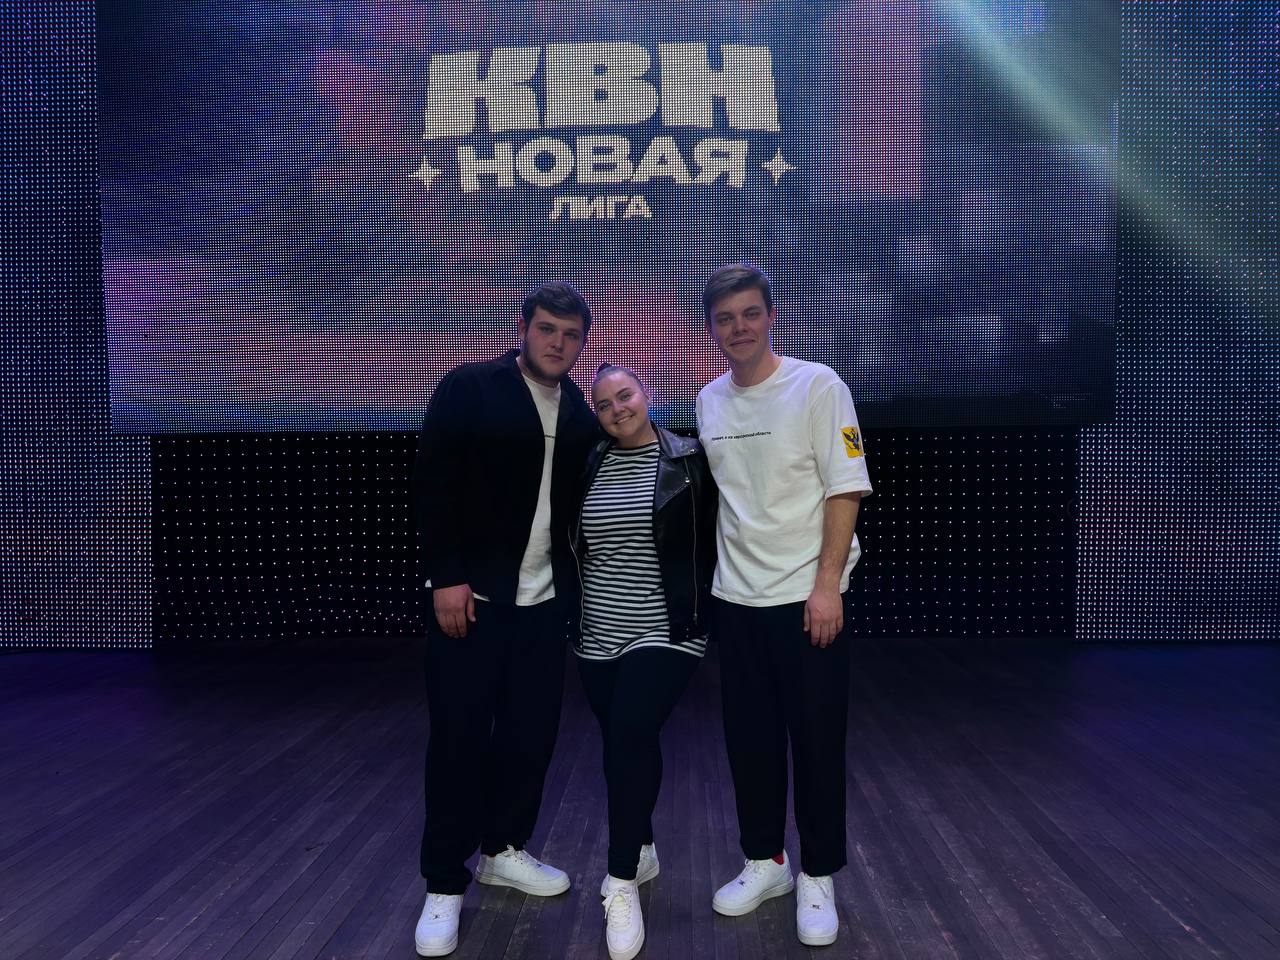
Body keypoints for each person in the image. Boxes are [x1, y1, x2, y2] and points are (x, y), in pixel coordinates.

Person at [410, 282, 600, 958]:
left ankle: (504, 849)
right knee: (458, 740)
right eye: (547, 329)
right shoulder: (470, 387)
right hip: (473, 600)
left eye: (571, 335)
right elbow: (433, 483)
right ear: (522, 327)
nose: (558, 343)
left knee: (530, 737)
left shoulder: (579, 410)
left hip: (543, 608)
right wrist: (447, 575)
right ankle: (443, 882)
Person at [696, 264, 873, 948]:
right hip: (736, 601)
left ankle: (817, 875)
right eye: (725, 318)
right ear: (712, 329)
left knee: (818, 743)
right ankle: (765, 862)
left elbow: (845, 487)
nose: (738, 327)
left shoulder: (819, 386)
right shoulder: (709, 399)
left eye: (749, 313)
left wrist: (827, 585)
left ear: (772, 315)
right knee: (751, 743)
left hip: (806, 600)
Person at [572, 363, 717, 960]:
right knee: (625, 744)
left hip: (667, 628)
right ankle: (645, 846)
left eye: (625, 394)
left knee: (629, 734)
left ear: (648, 393)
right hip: (596, 632)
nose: (617, 409)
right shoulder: (588, 461)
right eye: (604, 404)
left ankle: (621, 879)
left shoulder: (691, 459)